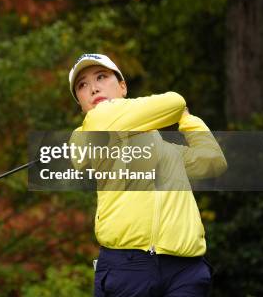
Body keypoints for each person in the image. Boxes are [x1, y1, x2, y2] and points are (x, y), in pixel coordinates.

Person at [67, 53, 227, 297]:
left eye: (101, 77)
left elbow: (212, 161)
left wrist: (187, 119)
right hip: (127, 268)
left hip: (185, 267)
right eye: (82, 85)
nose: (93, 88)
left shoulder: (165, 150)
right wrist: (178, 108)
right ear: (80, 102)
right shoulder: (89, 130)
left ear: (123, 86)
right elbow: (173, 101)